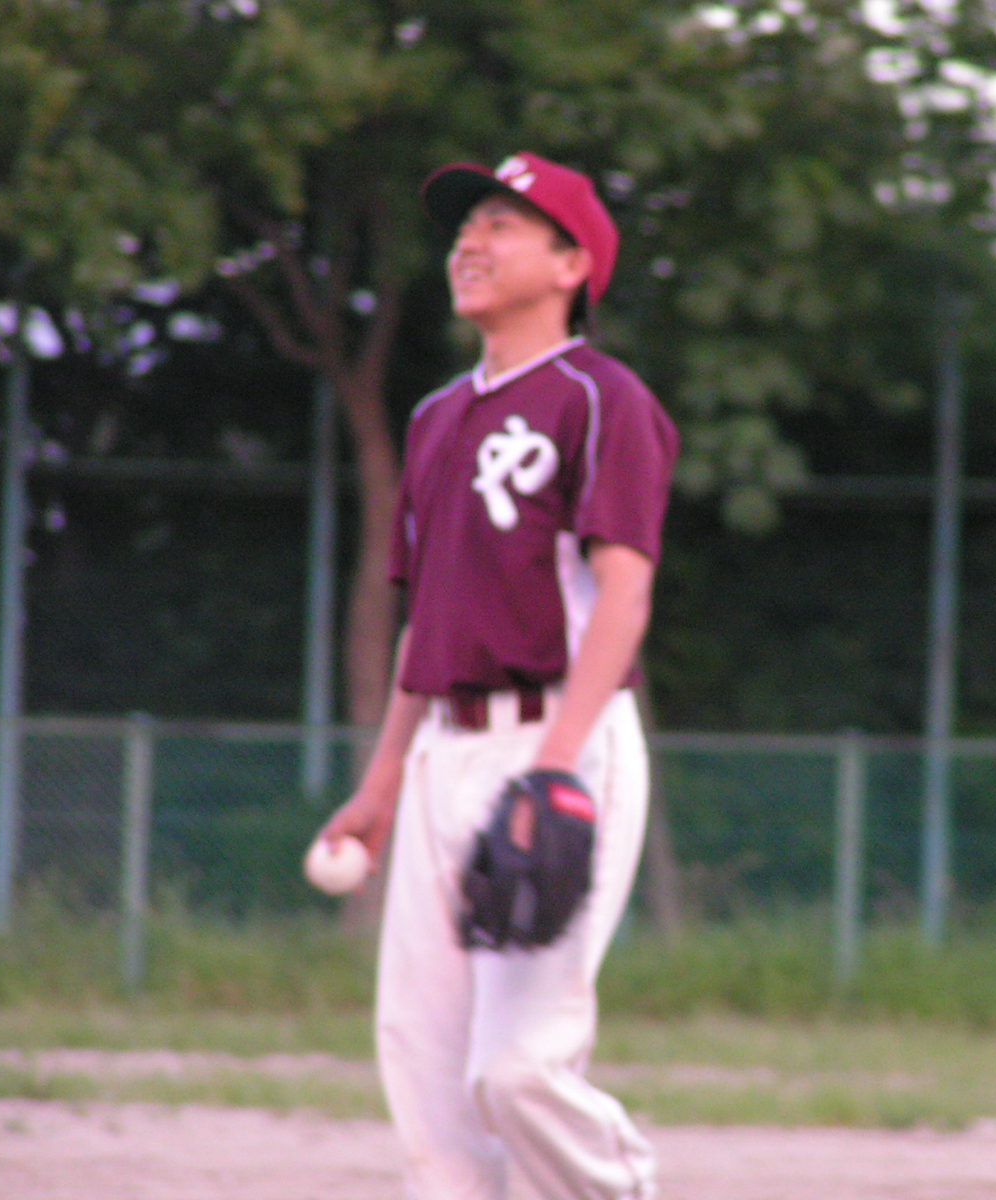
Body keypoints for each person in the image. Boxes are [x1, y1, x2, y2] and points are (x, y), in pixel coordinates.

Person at [318, 152, 678, 1200]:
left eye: (502, 225)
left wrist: (554, 770)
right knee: (430, 1089)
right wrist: (383, 782)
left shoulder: (601, 399)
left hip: (558, 741)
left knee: (516, 1069)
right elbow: (425, 624)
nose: (469, 243)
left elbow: (623, 598)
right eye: (464, 226)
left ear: (571, 265)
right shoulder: (436, 418)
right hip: (444, 754)